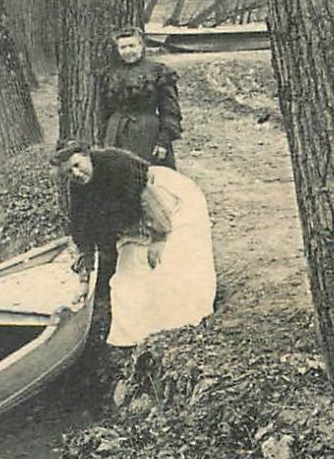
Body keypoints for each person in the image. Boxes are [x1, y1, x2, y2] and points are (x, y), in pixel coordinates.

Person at [54, 140, 216, 347]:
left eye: (77, 165)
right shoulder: (78, 189)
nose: (75, 174)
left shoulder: (117, 166)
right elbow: (82, 233)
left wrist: (158, 240)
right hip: (138, 220)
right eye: (68, 172)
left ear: (87, 155)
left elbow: (150, 201)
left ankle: (180, 322)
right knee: (126, 283)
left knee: (170, 264)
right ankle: (135, 338)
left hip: (169, 202)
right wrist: (84, 281)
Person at [98, 26, 182, 167]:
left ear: (141, 46)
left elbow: (170, 111)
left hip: (147, 132)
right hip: (115, 133)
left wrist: (163, 141)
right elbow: (105, 110)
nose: (128, 51)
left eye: (132, 46)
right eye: (123, 47)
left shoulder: (158, 71)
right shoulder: (109, 73)